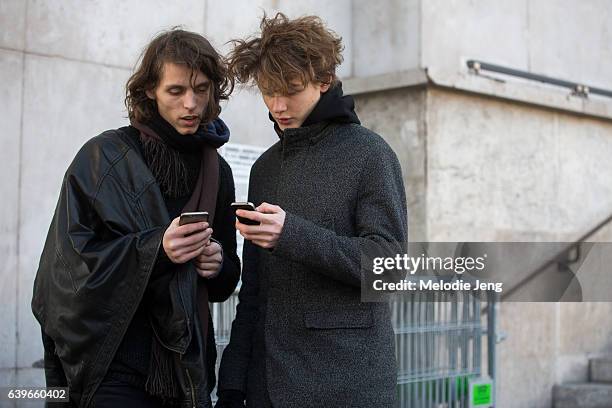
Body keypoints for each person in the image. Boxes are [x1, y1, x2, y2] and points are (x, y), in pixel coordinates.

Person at [32, 29, 240, 408]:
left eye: (202, 89)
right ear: (149, 91)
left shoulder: (218, 171)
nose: (190, 104)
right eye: (176, 91)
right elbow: (62, 274)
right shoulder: (103, 158)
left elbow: (225, 284)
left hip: (186, 372)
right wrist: (157, 249)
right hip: (111, 368)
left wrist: (219, 264)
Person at [215, 13, 408, 408]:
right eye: (268, 92)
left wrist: (293, 235)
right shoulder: (264, 167)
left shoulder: (370, 154)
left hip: (348, 388)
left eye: (291, 90)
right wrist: (233, 381)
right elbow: (253, 291)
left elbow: (389, 267)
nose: (278, 105)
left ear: (324, 81)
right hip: (266, 386)